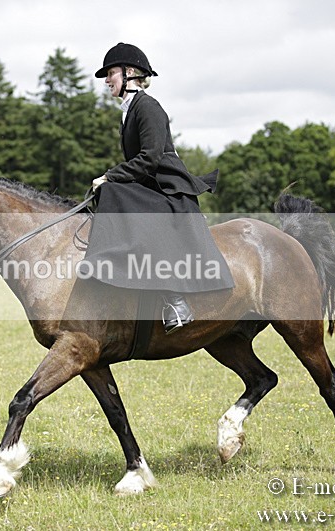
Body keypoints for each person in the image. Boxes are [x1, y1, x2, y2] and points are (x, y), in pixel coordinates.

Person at [82, 43, 234, 334]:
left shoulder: (148, 107)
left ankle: (175, 300)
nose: (106, 80)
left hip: (170, 190)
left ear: (129, 74)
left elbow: (150, 158)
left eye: (111, 73)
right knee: (107, 193)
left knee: (112, 191)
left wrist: (110, 177)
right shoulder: (128, 111)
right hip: (152, 187)